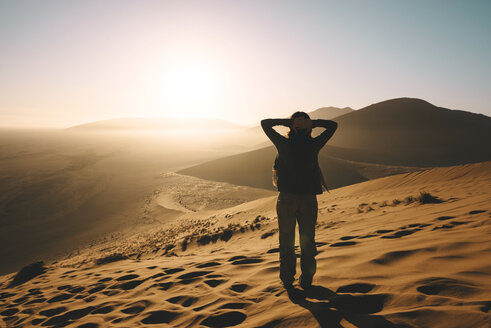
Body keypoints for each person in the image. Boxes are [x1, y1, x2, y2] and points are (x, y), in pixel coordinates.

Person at [261, 112, 337, 290]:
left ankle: (287, 279)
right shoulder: (314, 144)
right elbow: (333, 126)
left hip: (287, 199)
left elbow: (265, 123)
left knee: (286, 239)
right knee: (308, 240)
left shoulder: (283, 143)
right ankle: (307, 279)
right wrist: (311, 123)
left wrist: (289, 123)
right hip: (308, 200)